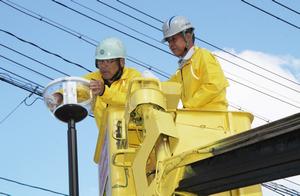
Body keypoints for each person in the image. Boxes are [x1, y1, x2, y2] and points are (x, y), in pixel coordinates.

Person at [162, 16, 229, 111]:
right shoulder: (180, 71)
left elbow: (214, 85)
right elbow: (164, 89)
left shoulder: (203, 55)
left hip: (214, 117)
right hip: (196, 119)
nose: (171, 44)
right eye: (168, 41)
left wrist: (189, 106)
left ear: (188, 36)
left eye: (174, 39)